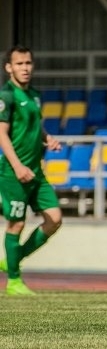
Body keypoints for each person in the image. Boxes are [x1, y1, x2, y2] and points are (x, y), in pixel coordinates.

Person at [0, 45, 64, 295]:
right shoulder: (6, 96)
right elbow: (2, 134)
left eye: (28, 63)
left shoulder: (34, 94)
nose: (25, 68)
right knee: (16, 224)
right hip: (13, 172)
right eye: (19, 64)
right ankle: (14, 281)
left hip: (36, 171)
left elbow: (35, 126)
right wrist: (17, 166)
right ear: (9, 68)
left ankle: (12, 260)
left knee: (54, 219)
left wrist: (48, 138)